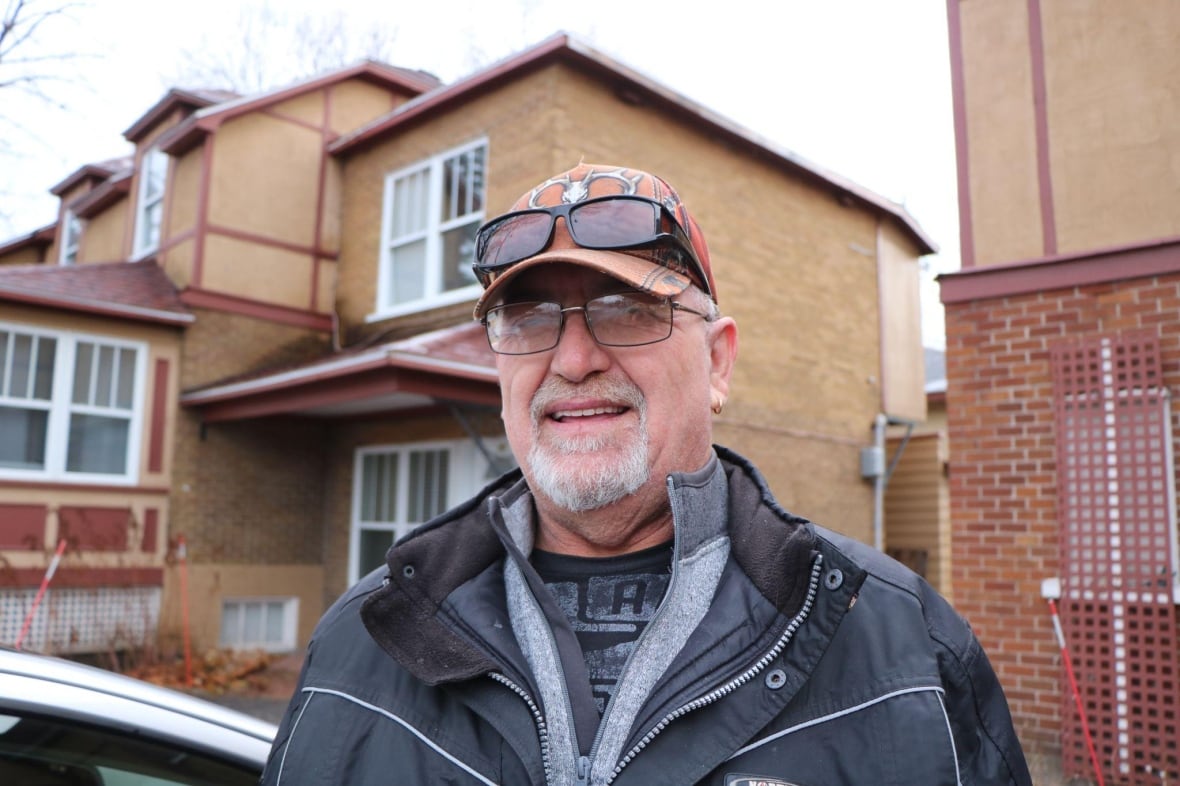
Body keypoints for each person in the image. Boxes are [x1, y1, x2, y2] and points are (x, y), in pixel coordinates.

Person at [261, 163, 1032, 785]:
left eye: (625, 307)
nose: (572, 359)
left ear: (718, 361)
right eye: (528, 319)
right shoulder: (359, 647)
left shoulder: (907, 655)